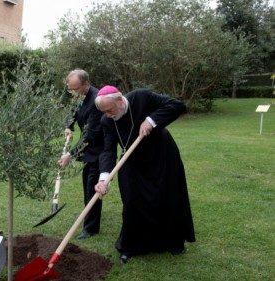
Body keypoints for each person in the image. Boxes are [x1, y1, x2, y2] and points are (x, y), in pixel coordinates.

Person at [94, 85, 195, 263]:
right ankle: (131, 246)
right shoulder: (106, 121)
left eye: (110, 110)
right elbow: (108, 151)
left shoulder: (142, 97)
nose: (108, 115)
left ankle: (172, 242)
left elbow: (177, 105)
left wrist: (151, 120)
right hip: (131, 160)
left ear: (119, 100)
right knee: (132, 201)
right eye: (104, 112)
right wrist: (104, 179)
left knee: (167, 197)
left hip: (161, 156)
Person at [58, 69, 104, 240]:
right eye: (70, 89)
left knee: (93, 185)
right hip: (89, 149)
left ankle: (91, 228)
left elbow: (90, 135)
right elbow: (73, 113)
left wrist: (70, 154)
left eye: (74, 89)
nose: (72, 92)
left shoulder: (96, 101)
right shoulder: (80, 96)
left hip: (100, 150)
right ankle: (89, 214)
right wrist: (68, 126)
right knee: (88, 182)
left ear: (85, 84)